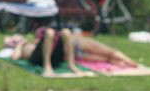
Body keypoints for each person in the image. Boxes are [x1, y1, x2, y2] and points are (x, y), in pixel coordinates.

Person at [8, 28, 138, 77]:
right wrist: (20, 44)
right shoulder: (26, 46)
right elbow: (14, 58)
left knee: (64, 31)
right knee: (50, 32)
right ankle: (48, 67)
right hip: (44, 58)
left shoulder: (38, 42)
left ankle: (71, 65)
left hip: (62, 54)